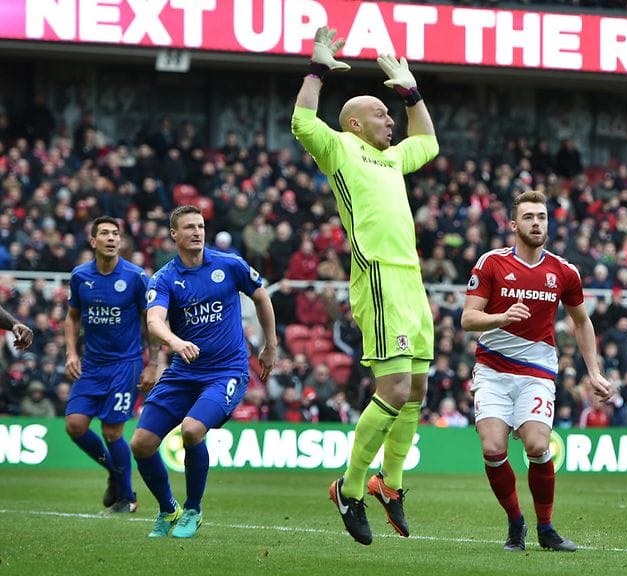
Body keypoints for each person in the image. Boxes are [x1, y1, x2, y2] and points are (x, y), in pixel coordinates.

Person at [291, 26, 438, 546]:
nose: (390, 120)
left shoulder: (394, 158)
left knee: (417, 389)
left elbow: (429, 142)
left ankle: (389, 483)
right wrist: (317, 69)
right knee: (393, 388)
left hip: (411, 279)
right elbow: (301, 120)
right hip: (377, 277)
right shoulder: (340, 148)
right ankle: (350, 488)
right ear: (354, 122)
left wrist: (410, 91)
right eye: (380, 113)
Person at [461, 190, 612, 552]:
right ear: (514, 225)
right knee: (493, 449)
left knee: (538, 445)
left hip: (536, 372)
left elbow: (581, 322)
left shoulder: (564, 272)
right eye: (528, 217)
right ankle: (516, 523)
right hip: (493, 369)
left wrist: (594, 372)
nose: (536, 223)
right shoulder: (491, 263)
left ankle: (546, 528)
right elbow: (468, 318)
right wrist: (501, 317)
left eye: (541, 217)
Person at [129, 205, 277, 539]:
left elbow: (261, 297)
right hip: (183, 372)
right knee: (141, 443)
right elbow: (154, 321)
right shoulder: (164, 279)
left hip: (226, 371)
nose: (197, 232)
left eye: (200, 226)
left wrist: (271, 344)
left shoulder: (230, 264)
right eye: (189, 227)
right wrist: (174, 341)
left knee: (192, 430)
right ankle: (169, 510)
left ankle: (193, 510)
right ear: (174, 234)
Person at [64, 216, 159, 513]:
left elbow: (151, 322)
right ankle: (114, 472)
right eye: (104, 233)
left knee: (112, 432)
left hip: (124, 365)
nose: (111, 238)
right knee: (75, 425)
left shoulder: (135, 277)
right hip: (92, 365)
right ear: (93, 241)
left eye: (115, 234)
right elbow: (72, 317)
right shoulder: (80, 276)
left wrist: (153, 364)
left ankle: (127, 497)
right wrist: (71, 353)